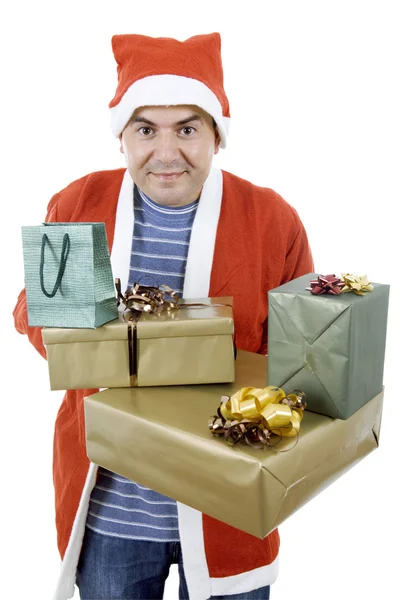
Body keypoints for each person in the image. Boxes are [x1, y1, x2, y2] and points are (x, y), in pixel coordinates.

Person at [13, 32, 313, 600]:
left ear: (217, 137)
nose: (167, 152)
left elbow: (301, 360)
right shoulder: (80, 204)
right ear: (121, 136)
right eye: (146, 128)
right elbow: (34, 319)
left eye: (188, 129)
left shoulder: (271, 219)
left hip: (229, 505)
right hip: (113, 516)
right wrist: (73, 322)